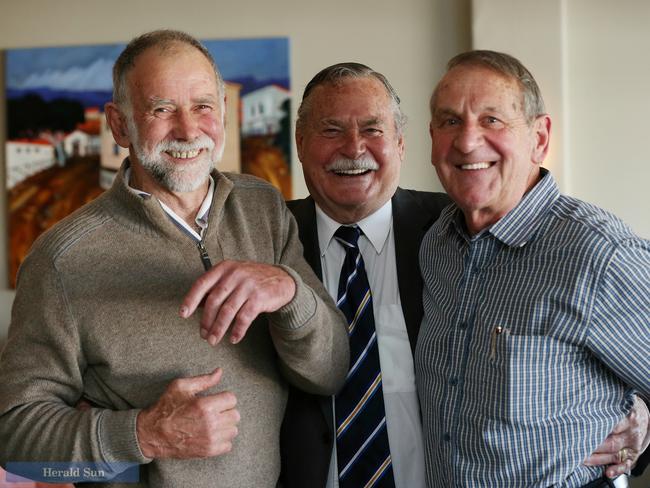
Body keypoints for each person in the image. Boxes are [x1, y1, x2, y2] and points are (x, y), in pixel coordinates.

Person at [0, 30, 349, 488]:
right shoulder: (61, 260)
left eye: (203, 105)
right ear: (120, 125)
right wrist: (144, 434)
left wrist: (289, 290)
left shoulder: (263, 207)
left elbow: (331, 371)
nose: (188, 129)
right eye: (161, 109)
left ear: (223, 110)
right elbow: (15, 438)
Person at [417, 49, 650, 487]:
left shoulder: (597, 254)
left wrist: (643, 420)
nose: (467, 142)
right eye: (450, 121)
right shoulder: (437, 243)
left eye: (492, 120)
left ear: (539, 138)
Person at [279, 63, 451, 488]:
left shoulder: (455, 228)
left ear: (400, 143)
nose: (354, 148)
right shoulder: (266, 239)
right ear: (300, 144)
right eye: (331, 130)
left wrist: (641, 416)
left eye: (373, 130)